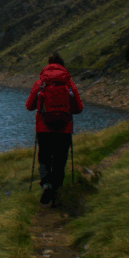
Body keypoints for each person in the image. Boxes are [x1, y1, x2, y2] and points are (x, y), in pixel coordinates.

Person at [26, 51, 83, 205]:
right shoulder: (69, 83)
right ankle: (56, 194)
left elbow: (29, 106)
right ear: (63, 66)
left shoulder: (41, 83)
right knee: (59, 161)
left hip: (44, 129)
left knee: (44, 159)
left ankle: (46, 184)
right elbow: (79, 108)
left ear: (48, 65)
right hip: (64, 129)